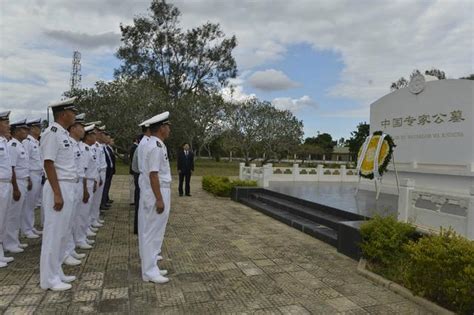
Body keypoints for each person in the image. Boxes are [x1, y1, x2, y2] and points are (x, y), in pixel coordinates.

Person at [39, 97, 78, 291]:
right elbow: (48, 163)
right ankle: (48, 279)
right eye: (73, 111)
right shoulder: (52, 133)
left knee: (62, 233)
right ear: (64, 114)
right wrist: (56, 193)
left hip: (68, 185)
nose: (75, 115)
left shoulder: (63, 134)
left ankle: (57, 271)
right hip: (59, 186)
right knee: (53, 234)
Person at [138, 111, 171, 283]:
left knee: (155, 231)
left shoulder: (157, 144)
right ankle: (149, 271)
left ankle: (151, 267)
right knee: (152, 231)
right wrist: (159, 198)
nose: (169, 129)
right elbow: (153, 174)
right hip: (156, 191)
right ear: (162, 128)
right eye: (168, 126)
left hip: (158, 189)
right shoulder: (155, 146)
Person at [62, 113, 88, 266]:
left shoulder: (77, 144)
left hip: (76, 183)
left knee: (73, 218)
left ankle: (70, 249)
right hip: (70, 183)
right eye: (81, 126)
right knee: (67, 220)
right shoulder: (69, 143)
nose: (83, 129)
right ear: (73, 128)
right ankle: (65, 252)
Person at [3, 119, 31, 254]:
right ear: (17, 131)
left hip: (21, 181)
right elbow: (12, 168)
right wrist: (15, 187)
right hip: (15, 182)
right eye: (24, 129)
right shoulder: (12, 145)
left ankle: (14, 240)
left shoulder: (18, 145)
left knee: (17, 213)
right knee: (12, 215)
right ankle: (9, 243)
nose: (26, 132)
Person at [75, 124, 98, 250]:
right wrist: (85, 190)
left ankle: (82, 236)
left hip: (89, 181)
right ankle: (79, 239)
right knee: (82, 213)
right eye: (93, 134)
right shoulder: (83, 149)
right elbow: (83, 171)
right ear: (88, 137)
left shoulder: (88, 148)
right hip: (84, 182)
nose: (95, 136)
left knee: (85, 212)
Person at [21, 118, 43, 238]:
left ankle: (31, 226)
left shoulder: (35, 142)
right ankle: (26, 229)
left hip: (38, 174)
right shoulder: (27, 142)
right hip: (31, 174)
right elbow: (26, 161)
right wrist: (28, 177)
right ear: (32, 129)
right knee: (28, 204)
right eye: (38, 128)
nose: (40, 130)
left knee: (33, 204)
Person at [0, 111, 15, 268]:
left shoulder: (4, 142)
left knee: (3, 219)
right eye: (5, 122)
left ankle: (1, 252)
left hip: (6, 184)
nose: (8, 125)